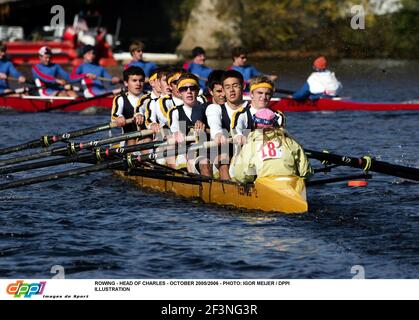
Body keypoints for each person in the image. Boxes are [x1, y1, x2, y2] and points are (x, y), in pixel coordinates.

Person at [233, 108, 313, 185]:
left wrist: (249, 181)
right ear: (275, 124)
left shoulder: (250, 145)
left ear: (255, 124)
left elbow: (240, 176)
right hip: (290, 183)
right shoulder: (291, 143)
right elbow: (306, 172)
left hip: (265, 186)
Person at [167, 73, 211, 176]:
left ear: (198, 90)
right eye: (184, 89)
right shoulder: (175, 112)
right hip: (183, 150)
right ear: (179, 92)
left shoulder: (207, 109)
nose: (189, 92)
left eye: (192, 88)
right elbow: (175, 130)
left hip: (204, 149)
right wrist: (177, 134)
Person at [231, 76, 285, 146]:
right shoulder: (240, 114)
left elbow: (281, 138)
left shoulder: (278, 116)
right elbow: (237, 133)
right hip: (246, 152)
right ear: (251, 94)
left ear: (271, 96)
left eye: (267, 94)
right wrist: (239, 136)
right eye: (260, 93)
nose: (264, 97)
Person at [111, 66, 147, 146]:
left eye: (141, 80)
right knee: (132, 140)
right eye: (134, 80)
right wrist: (119, 118)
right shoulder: (120, 99)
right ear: (126, 83)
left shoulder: (150, 96)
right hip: (129, 141)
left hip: (150, 138)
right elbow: (115, 116)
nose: (138, 84)